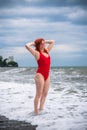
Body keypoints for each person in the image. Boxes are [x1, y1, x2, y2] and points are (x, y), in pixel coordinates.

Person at [25, 38, 55, 115]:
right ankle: (36, 112)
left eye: (44, 43)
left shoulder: (47, 51)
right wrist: (34, 43)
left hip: (47, 75)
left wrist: (44, 41)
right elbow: (27, 45)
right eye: (41, 44)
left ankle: (41, 109)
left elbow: (52, 41)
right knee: (38, 94)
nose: (43, 45)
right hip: (40, 75)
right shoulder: (37, 53)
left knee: (45, 94)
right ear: (38, 45)